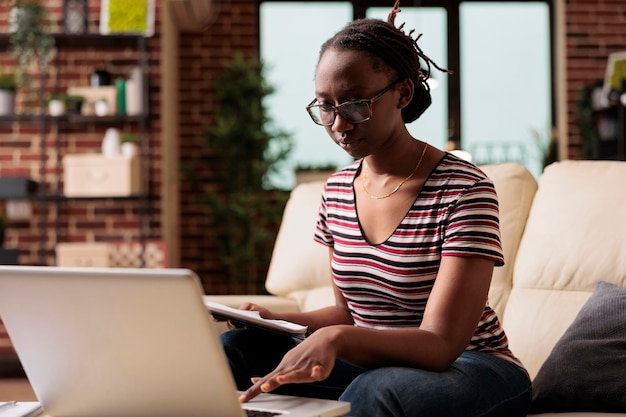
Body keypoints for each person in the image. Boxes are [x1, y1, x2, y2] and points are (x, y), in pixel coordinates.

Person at [219, 1, 532, 415]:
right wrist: (271, 317)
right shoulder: (335, 191)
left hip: (472, 366)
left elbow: (440, 344)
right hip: (375, 364)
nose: (338, 124)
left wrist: (341, 339)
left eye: (354, 104)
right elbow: (347, 313)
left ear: (402, 92)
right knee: (235, 349)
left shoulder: (463, 189)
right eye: (325, 106)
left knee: (374, 391)